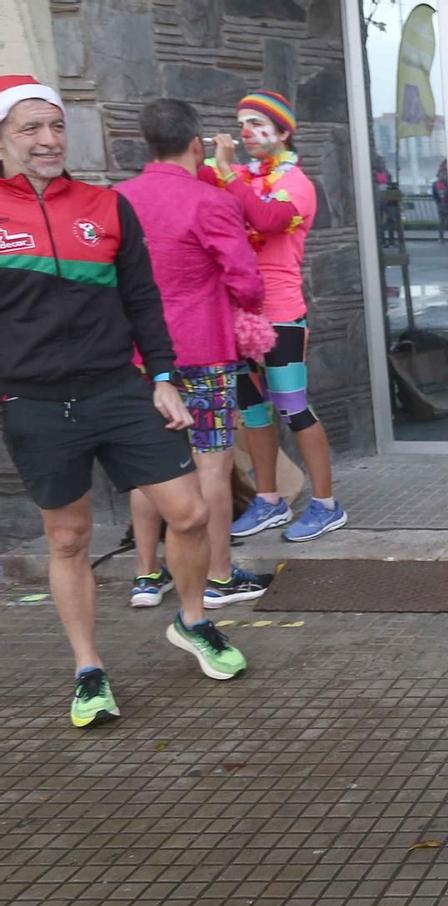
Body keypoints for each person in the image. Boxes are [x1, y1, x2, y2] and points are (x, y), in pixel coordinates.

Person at [0, 76, 249, 726]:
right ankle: (88, 669)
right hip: (33, 400)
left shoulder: (106, 205)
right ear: (3, 136)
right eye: (31, 127)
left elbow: (142, 299)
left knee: (190, 510)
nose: (49, 139)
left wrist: (163, 376)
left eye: (55, 126)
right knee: (68, 536)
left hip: (119, 387)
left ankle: (193, 620)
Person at [118, 98, 270, 613]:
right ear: (195, 143)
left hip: (137, 355)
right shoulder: (209, 201)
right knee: (212, 460)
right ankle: (218, 575)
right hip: (202, 349)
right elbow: (247, 282)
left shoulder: (118, 199)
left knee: (148, 463)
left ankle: (145, 574)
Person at [203, 90, 347, 544]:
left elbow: (265, 219)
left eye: (257, 124)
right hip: (236, 312)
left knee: (293, 407)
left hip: (281, 315)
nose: (246, 133)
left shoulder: (295, 183)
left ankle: (326, 505)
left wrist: (226, 173)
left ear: (283, 132)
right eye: (241, 123)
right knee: (253, 410)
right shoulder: (238, 176)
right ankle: (269, 500)